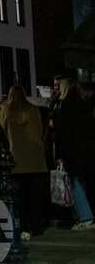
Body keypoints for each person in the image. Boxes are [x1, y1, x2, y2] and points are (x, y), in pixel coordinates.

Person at [0, 85, 48, 240]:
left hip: (16, 159)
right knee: (34, 196)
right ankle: (36, 226)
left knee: (19, 197)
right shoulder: (34, 110)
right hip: (35, 159)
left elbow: (1, 132)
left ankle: (23, 226)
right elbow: (40, 131)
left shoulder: (6, 111)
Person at [52, 77, 95, 231]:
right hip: (85, 151)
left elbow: (62, 133)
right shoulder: (85, 107)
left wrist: (60, 154)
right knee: (80, 182)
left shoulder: (67, 106)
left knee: (73, 182)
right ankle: (84, 216)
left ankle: (85, 217)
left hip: (72, 151)